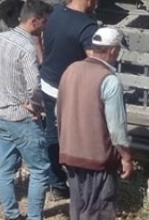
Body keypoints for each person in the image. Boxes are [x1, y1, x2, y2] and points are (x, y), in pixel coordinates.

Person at [0, 0, 55, 220]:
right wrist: (36, 106)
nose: (46, 26)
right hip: (22, 117)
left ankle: (11, 214)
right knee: (39, 170)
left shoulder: (0, 38)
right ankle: (34, 217)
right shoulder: (27, 48)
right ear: (34, 20)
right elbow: (34, 85)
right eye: (44, 21)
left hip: (1, 112)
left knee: (6, 168)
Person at [57, 26, 133, 220]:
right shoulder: (110, 80)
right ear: (113, 50)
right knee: (98, 210)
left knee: (78, 206)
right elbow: (116, 129)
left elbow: (58, 112)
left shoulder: (70, 70)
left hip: (70, 153)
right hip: (97, 159)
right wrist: (126, 157)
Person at [40, 0, 101, 199]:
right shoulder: (86, 26)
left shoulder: (55, 12)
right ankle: (73, 182)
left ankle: (56, 181)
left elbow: (39, 36)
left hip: (47, 82)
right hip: (69, 91)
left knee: (51, 132)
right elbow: (95, 61)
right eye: (96, 0)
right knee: (75, 136)